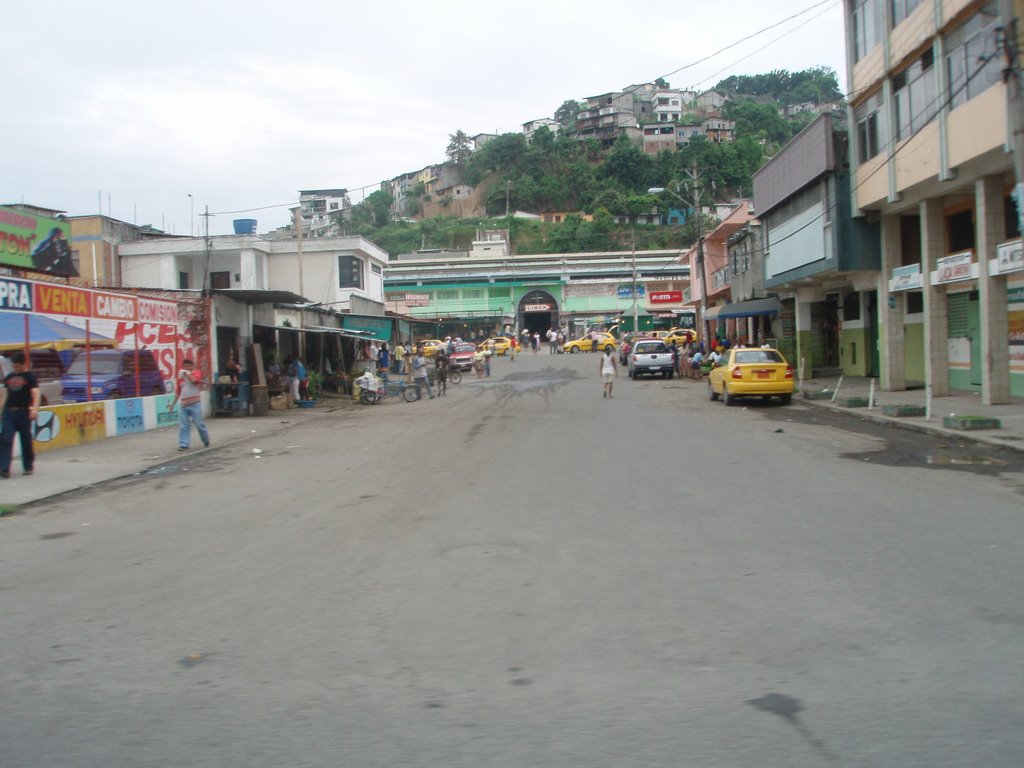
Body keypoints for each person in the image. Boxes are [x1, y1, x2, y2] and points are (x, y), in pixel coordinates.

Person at [0, 351, 41, 478]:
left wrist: (35, 409)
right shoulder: (8, 378)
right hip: (9, 412)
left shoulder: (30, 377)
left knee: (26, 440)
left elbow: (36, 393)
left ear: (23, 364)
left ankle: (28, 466)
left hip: (23, 412)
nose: (15, 369)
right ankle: (4, 468)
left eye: (18, 366)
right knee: (6, 439)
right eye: (14, 366)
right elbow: (3, 396)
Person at [168, 357, 209, 452]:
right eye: (185, 367)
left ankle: (205, 439)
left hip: (195, 404)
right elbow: (178, 392)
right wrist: (172, 404)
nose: (187, 369)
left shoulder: (196, 373)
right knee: (184, 426)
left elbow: (195, 381)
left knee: (199, 424)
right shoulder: (181, 378)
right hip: (184, 405)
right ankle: (184, 444)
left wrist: (188, 375)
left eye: (189, 367)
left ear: (192, 366)